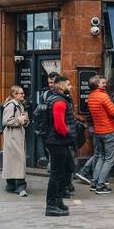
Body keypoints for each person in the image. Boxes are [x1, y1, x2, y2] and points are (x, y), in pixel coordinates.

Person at [44, 76, 76, 217]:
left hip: (59, 142)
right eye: (69, 84)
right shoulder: (59, 102)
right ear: (62, 87)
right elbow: (59, 125)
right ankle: (51, 206)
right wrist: (68, 133)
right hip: (57, 142)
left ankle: (58, 201)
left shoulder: (59, 99)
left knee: (68, 168)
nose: (71, 86)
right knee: (57, 174)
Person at [84, 75, 114, 194]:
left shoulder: (91, 96)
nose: (105, 84)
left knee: (100, 157)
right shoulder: (103, 96)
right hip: (108, 130)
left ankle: (94, 183)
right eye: (102, 83)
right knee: (109, 160)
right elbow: (113, 112)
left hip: (98, 131)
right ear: (97, 84)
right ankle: (100, 185)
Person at [2, 85, 29, 195]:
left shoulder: (18, 105)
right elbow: (7, 120)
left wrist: (25, 121)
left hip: (16, 136)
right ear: (14, 95)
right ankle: (20, 187)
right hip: (13, 136)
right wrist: (21, 119)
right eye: (21, 93)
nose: (23, 95)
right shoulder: (11, 105)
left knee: (14, 161)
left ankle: (11, 185)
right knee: (18, 160)